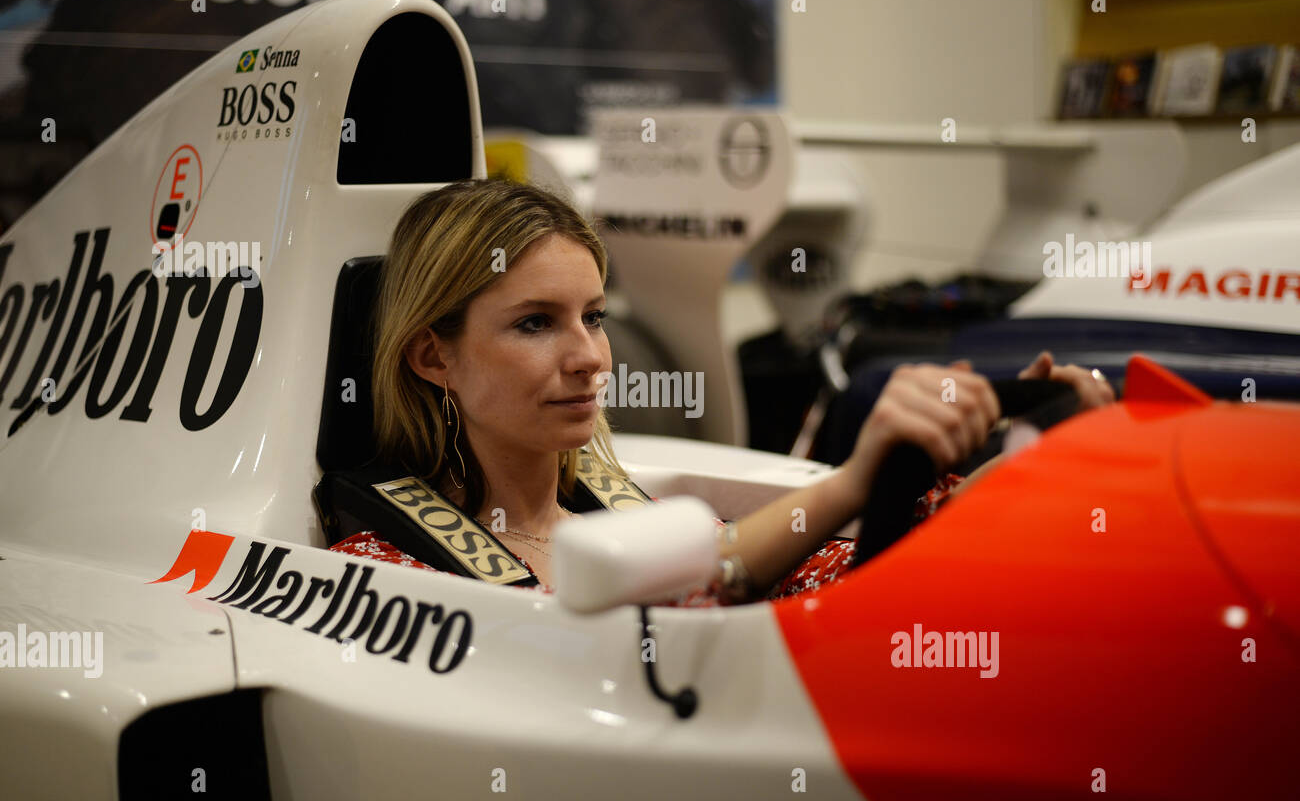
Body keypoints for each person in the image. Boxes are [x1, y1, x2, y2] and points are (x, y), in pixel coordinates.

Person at [329, 178, 1114, 606]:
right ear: (434, 357)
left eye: (595, 317)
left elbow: (851, 574)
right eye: (535, 323)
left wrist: (1018, 468)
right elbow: (588, 628)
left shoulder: (634, 510)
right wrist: (856, 478)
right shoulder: (376, 564)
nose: (589, 358)